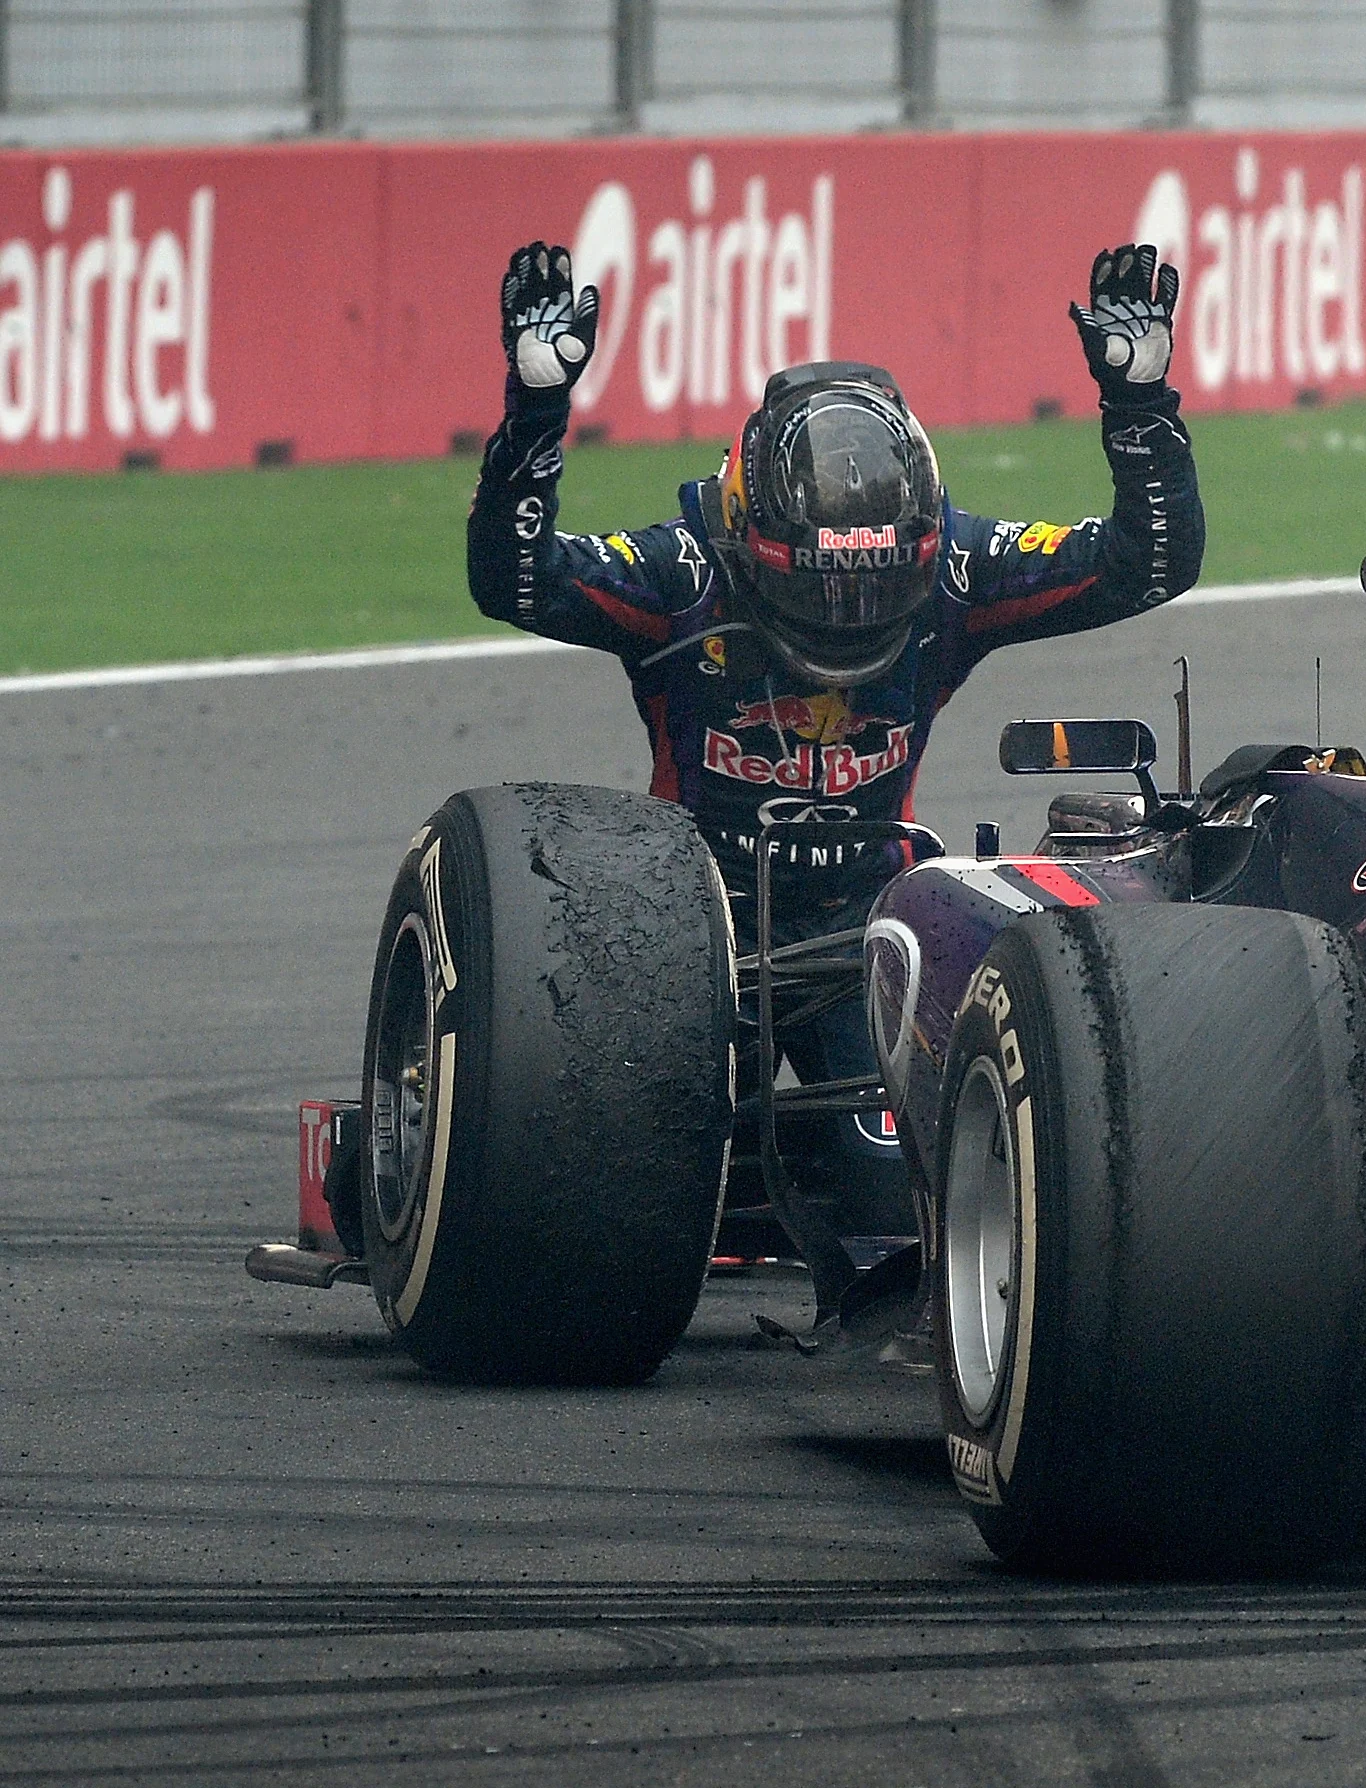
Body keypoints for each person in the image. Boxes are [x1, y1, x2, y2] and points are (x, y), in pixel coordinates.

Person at [464, 239, 1202, 1319]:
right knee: (614, 1186)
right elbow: (516, 582)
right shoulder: (682, 574)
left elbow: (1147, 566)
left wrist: (1138, 401)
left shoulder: (956, 568)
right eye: (820, 590)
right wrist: (535, 410)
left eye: (868, 591)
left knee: (893, 1187)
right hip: (687, 934)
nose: (845, 618)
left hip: (866, 928)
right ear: (750, 534)